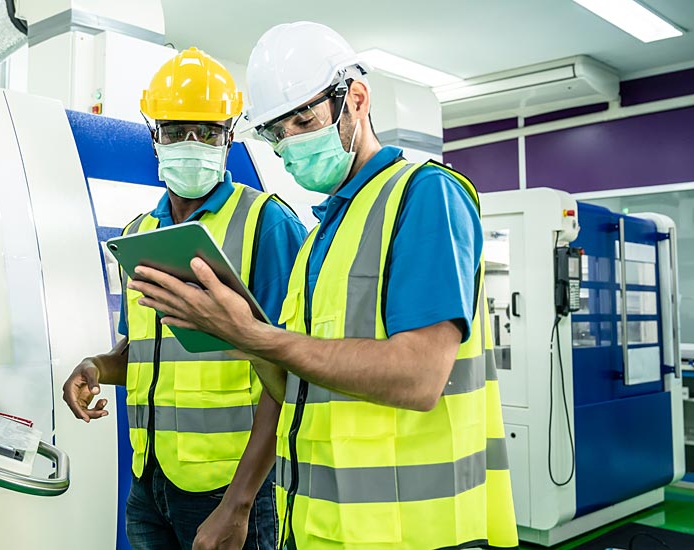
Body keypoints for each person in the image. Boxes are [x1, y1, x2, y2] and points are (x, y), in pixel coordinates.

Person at [125, 23, 520, 550]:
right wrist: (226, 327)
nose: (290, 140)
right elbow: (291, 384)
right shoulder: (320, 239)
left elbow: (421, 376)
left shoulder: (425, 196)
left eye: (302, 118)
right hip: (321, 527)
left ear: (355, 99)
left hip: (416, 533)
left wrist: (251, 335)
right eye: (275, 131)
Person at [61, 47, 307, 550]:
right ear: (156, 137)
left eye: (208, 133)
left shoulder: (266, 224)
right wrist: (95, 366)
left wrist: (238, 505)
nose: (191, 144)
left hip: (231, 488)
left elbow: (292, 371)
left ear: (229, 137)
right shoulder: (140, 232)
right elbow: (150, 351)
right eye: (176, 131)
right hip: (149, 483)